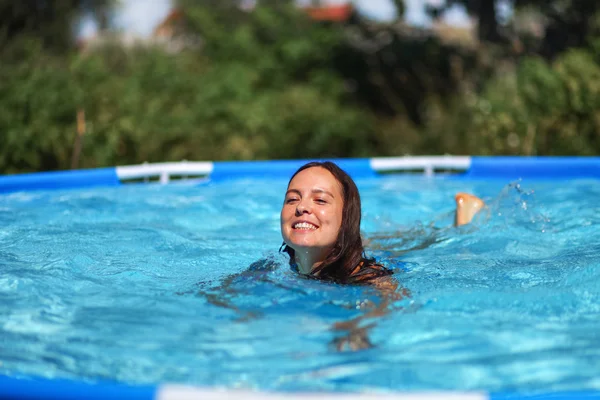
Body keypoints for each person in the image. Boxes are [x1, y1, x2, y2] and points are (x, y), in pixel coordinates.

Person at [279, 161, 484, 351]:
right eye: (292, 199)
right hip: (355, 244)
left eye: (320, 200)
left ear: (346, 218)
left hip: (389, 258)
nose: (301, 207)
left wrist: (358, 326)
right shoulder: (269, 267)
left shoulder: (365, 275)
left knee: (412, 245)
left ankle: (462, 225)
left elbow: (394, 298)